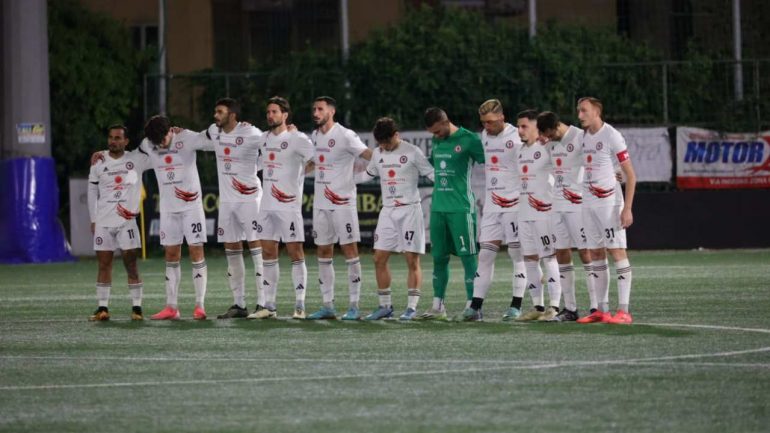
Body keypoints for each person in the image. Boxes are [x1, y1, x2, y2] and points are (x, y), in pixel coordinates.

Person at [354, 117, 434, 321]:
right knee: (378, 258)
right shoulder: (378, 153)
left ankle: (411, 308)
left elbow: (431, 174)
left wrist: (450, 182)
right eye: (380, 144)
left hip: (409, 211)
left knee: (411, 259)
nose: (383, 147)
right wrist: (344, 179)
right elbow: (367, 175)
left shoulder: (412, 152)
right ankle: (384, 306)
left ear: (396, 135)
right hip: (388, 212)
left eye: (387, 142)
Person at [305, 96, 373, 320]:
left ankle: (354, 306)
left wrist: (384, 163)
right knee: (323, 251)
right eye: (314, 109)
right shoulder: (314, 136)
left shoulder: (345, 135)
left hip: (342, 203)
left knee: (350, 252)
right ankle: (328, 306)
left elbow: (368, 155)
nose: (316, 113)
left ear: (331, 112)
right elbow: (314, 162)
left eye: (320, 109)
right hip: (321, 203)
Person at [200, 98, 266, 319]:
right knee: (232, 251)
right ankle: (239, 304)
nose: (215, 116)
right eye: (215, 111)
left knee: (257, 248)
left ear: (233, 115)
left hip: (250, 199)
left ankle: (263, 304)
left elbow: (272, 144)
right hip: (227, 202)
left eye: (220, 112)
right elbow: (199, 139)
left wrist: (289, 130)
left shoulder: (251, 132)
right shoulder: (214, 131)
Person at [250, 96, 315, 319]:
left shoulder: (297, 138)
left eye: (275, 112)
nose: (270, 115)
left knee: (295, 253)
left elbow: (316, 158)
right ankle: (269, 305)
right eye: (268, 112)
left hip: (288, 206)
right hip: (266, 206)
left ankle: (300, 305)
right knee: (268, 253)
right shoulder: (263, 139)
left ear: (285, 115)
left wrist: (299, 175)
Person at [574, 97, 637, 325]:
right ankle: (602, 310)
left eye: (584, 111)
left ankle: (624, 311)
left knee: (617, 251)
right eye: (578, 111)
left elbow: (630, 175)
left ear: (597, 112)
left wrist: (627, 208)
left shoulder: (611, 135)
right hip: (588, 204)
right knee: (596, 254)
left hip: (610, 205)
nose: (580, 115)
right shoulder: (583, 137)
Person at [141, 115, 211, 320]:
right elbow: (134, 156)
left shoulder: (187, 138)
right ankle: (171, 307)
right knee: (171, 255)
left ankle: (200, 305)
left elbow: (211, 141)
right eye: (156, 142)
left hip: (192, 208)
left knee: (196, 252)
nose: (160, 144)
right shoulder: (148, 143)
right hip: (169, 210)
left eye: (163, 138)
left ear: (171, 130)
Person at [463, 99, 526, 321]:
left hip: (514, 205)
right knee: (485, 254)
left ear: (502, 117)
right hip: (492, 206)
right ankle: (475, 306)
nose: (486, 127)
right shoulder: (484, 136)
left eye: (490, 122)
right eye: (483, 123)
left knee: (517, 254)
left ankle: (516, 305)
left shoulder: (517, 136)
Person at [420, 107, 485, 320]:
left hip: (461, 209)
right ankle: (438, 307)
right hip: (438, 208)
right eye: (433, 134)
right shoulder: (438, 142)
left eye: (438, 132)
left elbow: (493, 164)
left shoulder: (469, 139)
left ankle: (473, 307)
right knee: (438, 258)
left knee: (468, 258)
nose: (435, 137)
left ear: (446, 122)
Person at [87, 125, 149, 321]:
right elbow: (92, 192)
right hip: (104, 222)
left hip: (127, 223)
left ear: (126, 141)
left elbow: (156, 152)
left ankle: (137, 308)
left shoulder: (136, 159)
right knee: (104, 265)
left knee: (131, 265)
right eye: (111, 137)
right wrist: (93, 219)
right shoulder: (98, 161)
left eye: (117, 138)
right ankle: (102, 308)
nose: (113, 141)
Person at [537, 111, 591, 322]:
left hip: (577, 205)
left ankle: (596, 308)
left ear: (556, 126)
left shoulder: (579, 137)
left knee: (586, 253)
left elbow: (594, 162)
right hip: (557, 206)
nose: (547, 138)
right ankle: (570, 309)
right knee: (561, 253)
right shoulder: (549, 144)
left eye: (548, 134)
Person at [514, 109, 563, 322]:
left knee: (549, 258)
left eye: (524, 126)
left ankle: (554, 307)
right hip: (524, 213)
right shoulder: (518, 152)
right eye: (518, 126)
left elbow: (567, 169)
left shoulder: (548, 149)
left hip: (544, 213)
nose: (520, 130)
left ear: (536, 127)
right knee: (530, 260)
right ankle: (538, 307)